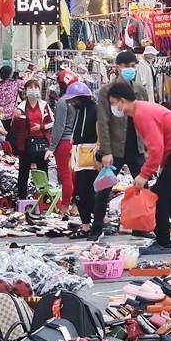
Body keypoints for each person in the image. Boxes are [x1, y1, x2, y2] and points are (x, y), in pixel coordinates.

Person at [108, 83, 171, 255]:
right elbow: (162, 143)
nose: (113, 107)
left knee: (157, 196)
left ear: (122, 101)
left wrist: (144, 175)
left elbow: (156, 148)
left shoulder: (141, 114)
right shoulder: (143, 110)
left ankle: (163, 242)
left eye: (113, 103)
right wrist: (161, 167)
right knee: (167, 196)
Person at [97, 51, 151, 238]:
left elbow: (146, 120)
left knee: (143, 188)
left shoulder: (139, 90)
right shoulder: (106, 91)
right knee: (104, 187)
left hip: (136, 147)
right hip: (115, 148)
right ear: (118, 67)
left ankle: (142, 227)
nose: (130, 69)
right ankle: (97, 226)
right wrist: (105, 151)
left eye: (133, 66)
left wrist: (145, 148)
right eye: (126, 66)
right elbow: (103, 122)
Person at [64, 82, 106, 240]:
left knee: (86, 193)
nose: (72, 103)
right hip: (79, 157)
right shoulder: (80, 111)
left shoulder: (95, 110)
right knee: (81, 194)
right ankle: (86, 225)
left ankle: (93, 225)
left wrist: (100, 155)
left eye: (74, 100)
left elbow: (101, 134)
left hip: (91, 157)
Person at [11, 79, 54, 200]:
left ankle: (43, 198)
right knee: (23, 173)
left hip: (41, 143)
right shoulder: (20, 108)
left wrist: (41, 127)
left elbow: (52, 122)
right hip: (25, 144)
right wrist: (16, 118)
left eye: (36, 87)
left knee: (43, 171)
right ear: (25, 91)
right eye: (30, 87)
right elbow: (14, 128)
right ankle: (22, 199)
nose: (33, 90)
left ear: (40, 90)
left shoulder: (44, 105)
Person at [46, 70, 80, 215]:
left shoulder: (62, 102)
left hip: (64, 144)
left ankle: (65, 207)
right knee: (75, 176)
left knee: (65, 176)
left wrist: (51, 147)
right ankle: (76, 207)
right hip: (76, 143)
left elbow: (59, 126)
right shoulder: (79, 102)